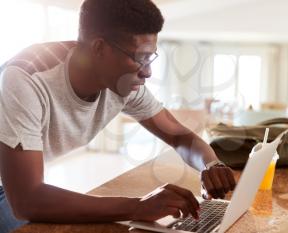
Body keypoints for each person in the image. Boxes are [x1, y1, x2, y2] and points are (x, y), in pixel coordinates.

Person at [0, 0, 236, 232]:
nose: (147, 71)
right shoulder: (26, 78)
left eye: (150, 57)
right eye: (139, 58)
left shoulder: (123, 83)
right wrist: (137, 207)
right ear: (99, 48)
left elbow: (178, 136)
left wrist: (211, 164)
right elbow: (26, 200)